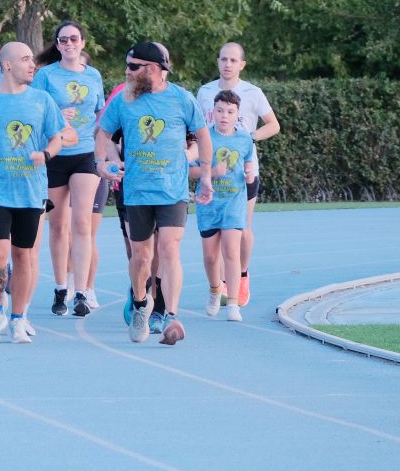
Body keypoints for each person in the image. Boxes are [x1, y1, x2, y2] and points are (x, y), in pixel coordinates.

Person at [96, 41, 213, 345]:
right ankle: (139, 305)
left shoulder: (181, 99)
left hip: (172, 190)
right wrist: (101, 164)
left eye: (132, 66)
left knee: (170, 250)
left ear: (153, 69)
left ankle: (171, 315)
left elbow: (202, 134)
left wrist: (207, 175)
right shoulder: (123, 100)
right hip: (137, 192)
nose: (127, 71)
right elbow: (103, 133)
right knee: (141, 257)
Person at [0, 42, 72, 344]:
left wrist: (47, 154)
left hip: (30, 190)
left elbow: (57, 137)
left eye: (32, 60)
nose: (32, 65)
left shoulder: (41, 100)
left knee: (23, 255)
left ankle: (18, 318)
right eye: (26, 59)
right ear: (8, 65)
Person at [195, 42, 279, 306]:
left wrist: (248, 139)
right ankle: (219, 285)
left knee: (241, 229)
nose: (227, 64)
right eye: (223, 59)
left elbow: (273, 125)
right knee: (215, 234)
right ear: (218, 61)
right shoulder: (205, 92)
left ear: (242, 64)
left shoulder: (252, 93)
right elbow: (198, 129)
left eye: (233, 60)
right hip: (212, 172)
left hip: (243, 172)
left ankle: (241, 276)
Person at [32, 20, 105, 318]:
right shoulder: (47, 76)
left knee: (82, 223)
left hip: (85, 152)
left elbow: (101, 113)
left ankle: (82, 291)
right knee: (58, 224)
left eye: (74, 39)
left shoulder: (94, 76)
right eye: (63, 40)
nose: (69, 44)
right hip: (56, 153)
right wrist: (57, 115)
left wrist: (105, 149)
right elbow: (34, 111)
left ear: (83, 43)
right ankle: (61, 287)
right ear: (58, 44)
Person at [191, 90, 256, 322]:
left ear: (237, 114)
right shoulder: (203, 138)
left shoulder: (244, 138)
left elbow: (248, 167)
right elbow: (190, 171)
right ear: (213, 112)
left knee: (231, 251)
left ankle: (233, 304)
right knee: (210, 257)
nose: (224, 116)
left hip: (234, 202)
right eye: (219, 111)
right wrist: (211, 172)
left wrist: (249, 175)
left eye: (230, 112)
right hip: (209, 203)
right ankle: (214, 289)